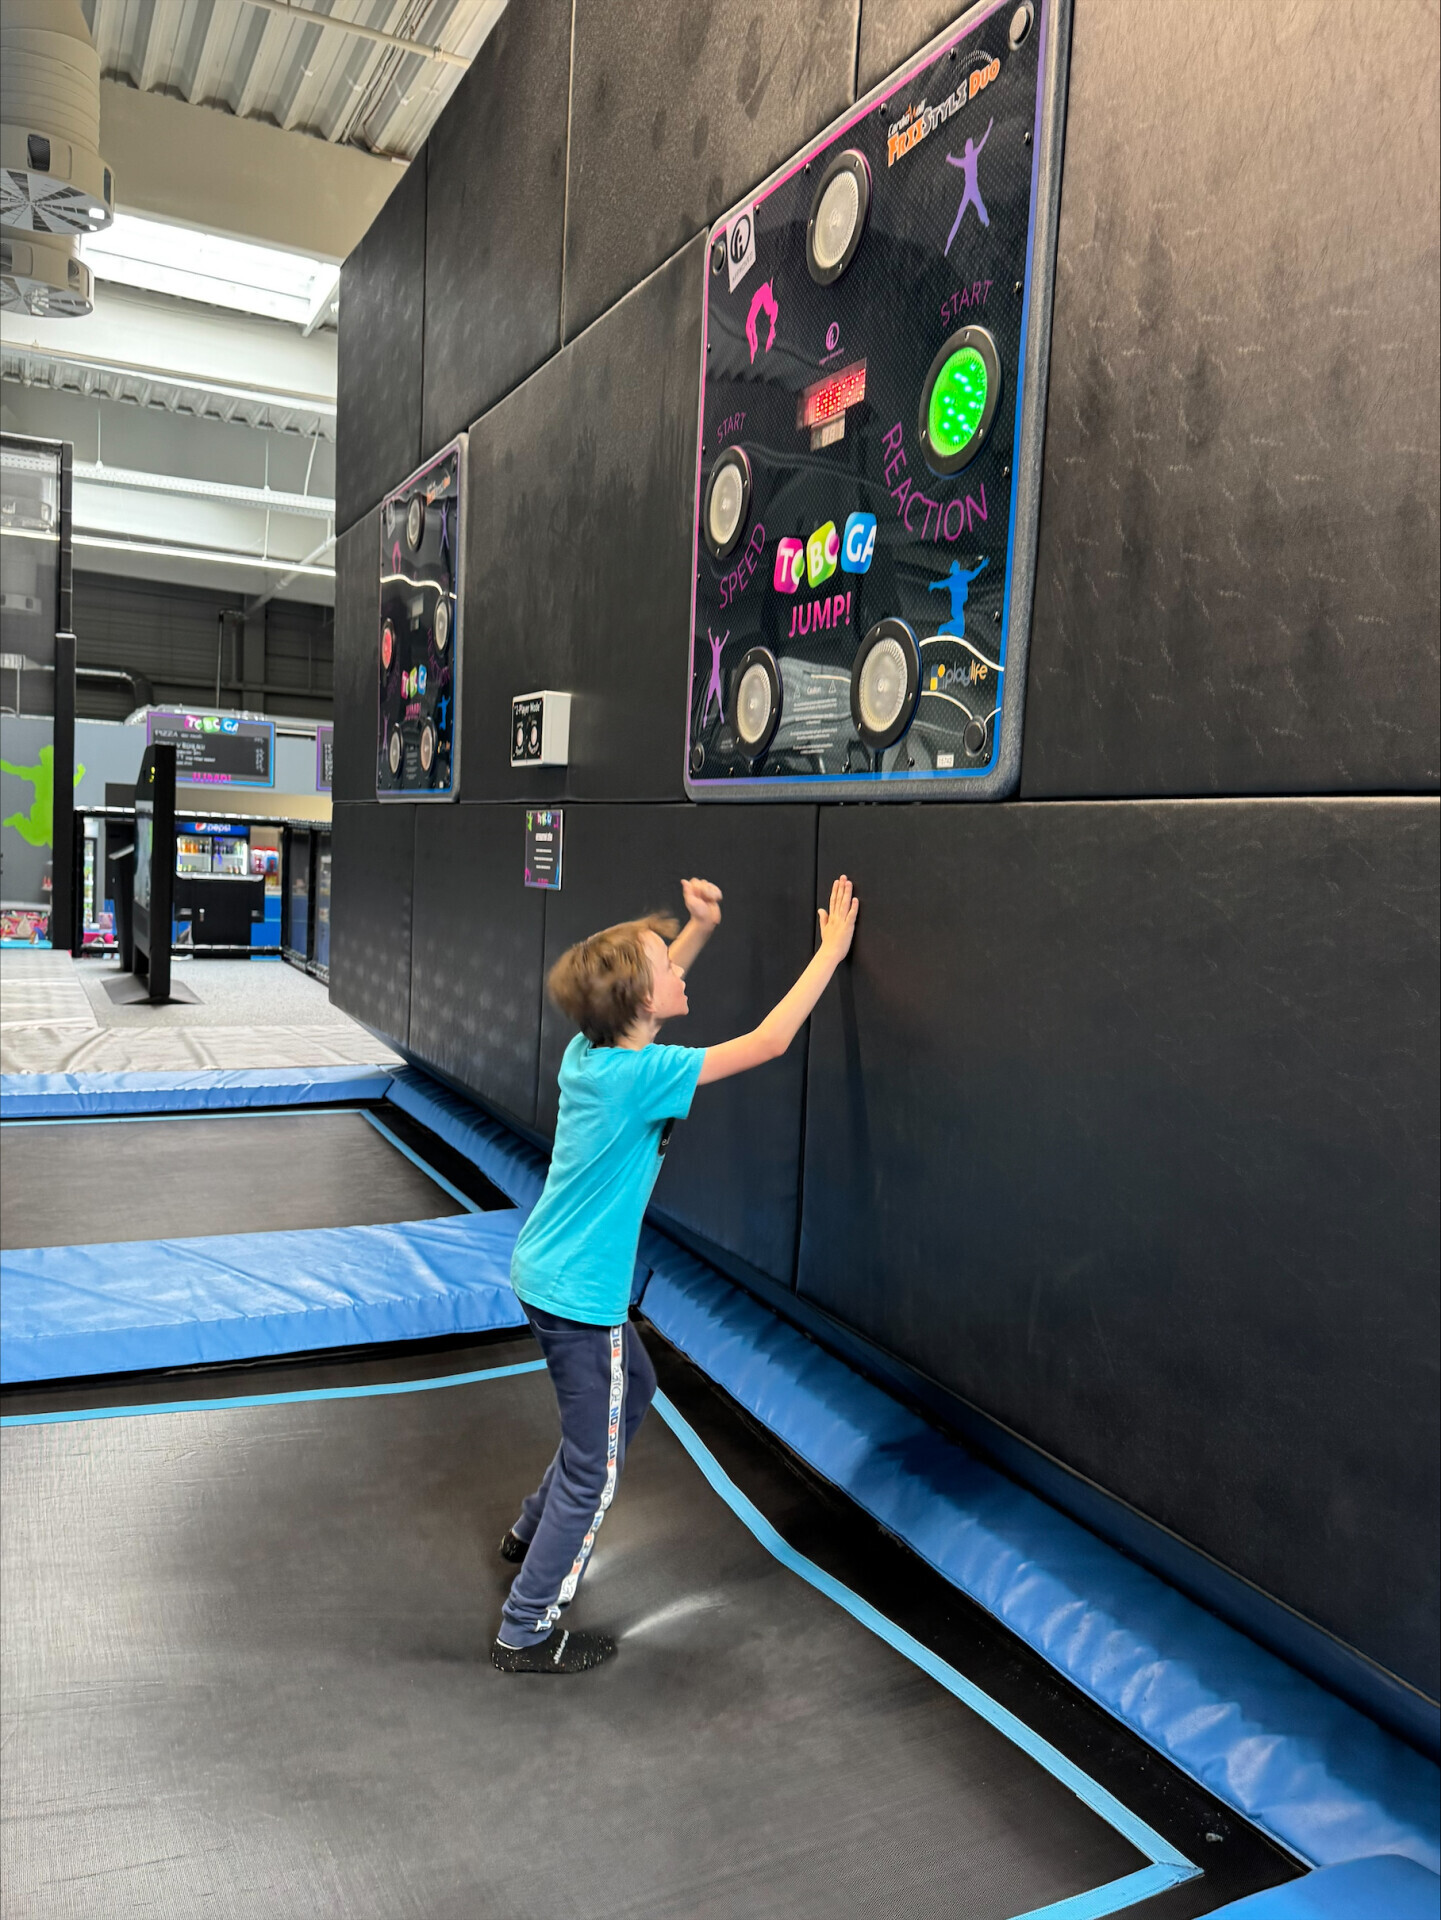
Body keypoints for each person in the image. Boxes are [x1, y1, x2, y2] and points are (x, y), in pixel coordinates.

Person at [492, 873, 860, 1674]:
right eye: (669, 963)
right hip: (581, 1299)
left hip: (545, 1273)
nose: (679, 967)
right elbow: (767, 1043)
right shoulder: (643, 1077)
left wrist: (697, 927)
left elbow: (639, 994)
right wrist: (830, 953)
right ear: (639, 1002)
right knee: (594, 1472)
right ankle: (525, 1629)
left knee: (635, 1389)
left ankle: (528, 1528)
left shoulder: (592, 1054)